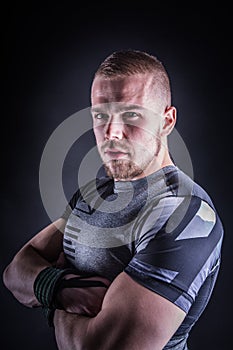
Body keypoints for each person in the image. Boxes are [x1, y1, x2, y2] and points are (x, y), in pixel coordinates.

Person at [3, 49, 224, 350]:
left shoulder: (185, 214)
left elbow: (100, 346)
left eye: (131, 114)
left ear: (167, 121)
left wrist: (49, 299)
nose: (112, 133)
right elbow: (16, 269)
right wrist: (62, 289)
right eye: (100, 115)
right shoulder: (96, 193)